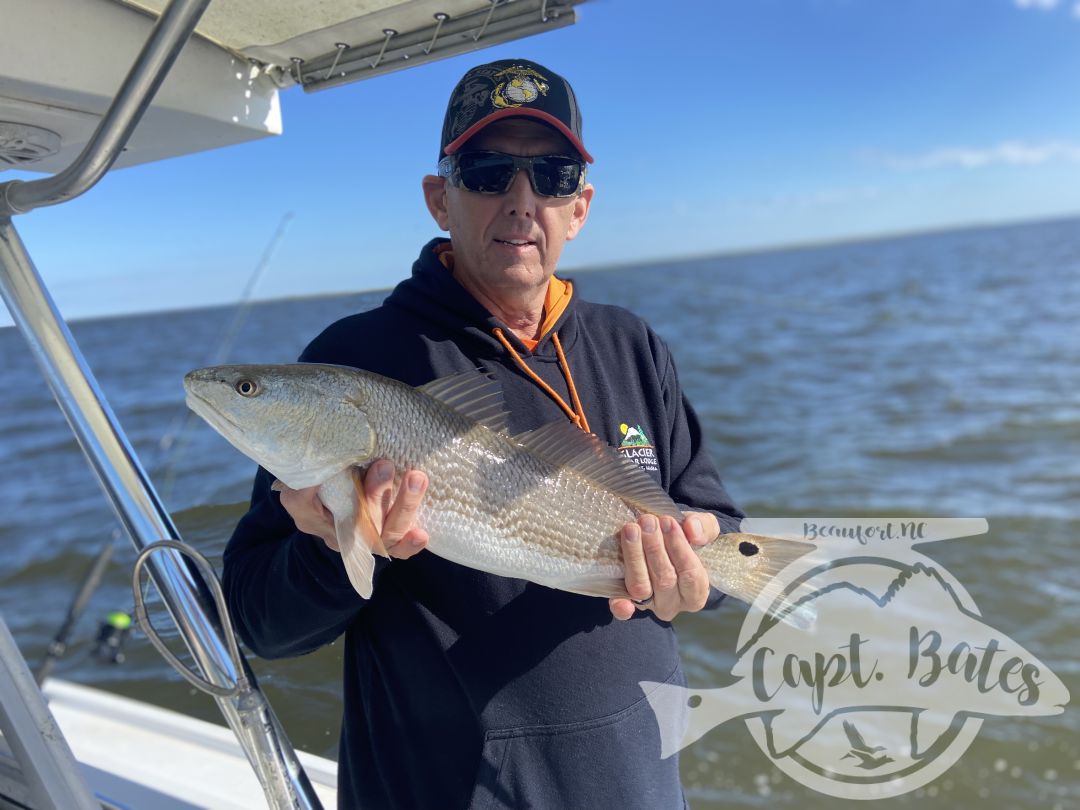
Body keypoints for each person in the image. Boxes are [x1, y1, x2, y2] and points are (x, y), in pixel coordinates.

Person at [223, 58, 744, 810]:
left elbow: (714, 524)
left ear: (582, 207)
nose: (523, 200)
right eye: (489, 170)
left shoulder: (632, 344)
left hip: (637, 782)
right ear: (440, 198)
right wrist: (331, 548)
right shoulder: (354, 363)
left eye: (554, 175)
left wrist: (696, 570)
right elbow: (257, 622)